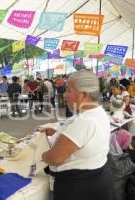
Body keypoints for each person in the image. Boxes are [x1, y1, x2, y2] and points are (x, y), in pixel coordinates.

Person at [41, 70, 114, 200]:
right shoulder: (98, 112)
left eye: (68, 91)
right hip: (97, 181)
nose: (64, 95)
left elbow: (55, 158)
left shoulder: (85, 121)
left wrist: (42, 155)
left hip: (79, 189)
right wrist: (58, 133)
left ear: (84, 95)